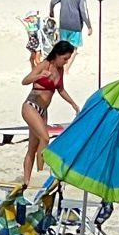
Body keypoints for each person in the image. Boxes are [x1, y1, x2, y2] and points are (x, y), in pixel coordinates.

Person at [20, 41, 81, 187]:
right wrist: (39, 75)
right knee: (45, 138)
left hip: (43, 111)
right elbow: (25, 81)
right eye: (65, 58)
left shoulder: (59, 70)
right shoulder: (45, 64)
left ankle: (26, 182)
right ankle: (41, 175)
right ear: (57, 54)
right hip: (31, 106)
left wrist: (73, 103)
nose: (66, 62)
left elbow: (60, 89)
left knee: (33, 147)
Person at [48, 0, 93, 71]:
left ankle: (57, 65)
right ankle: (66, 69)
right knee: (74, 49)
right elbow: (83, 11)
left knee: (62, 46)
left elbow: (52, 1)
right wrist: (89, 26)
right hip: (76, 25)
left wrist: (51, 12)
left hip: (63, 23)